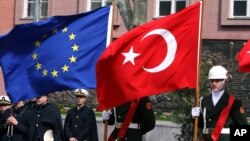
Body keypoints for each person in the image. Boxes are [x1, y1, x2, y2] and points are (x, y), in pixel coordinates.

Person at [191, 65, 248, 141]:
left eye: (217, 80)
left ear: (224, 81)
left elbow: (243, 127)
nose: (214, 83)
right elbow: (201, 125)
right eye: (212, 80)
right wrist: (194, 117)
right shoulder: (203, 100)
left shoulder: (234, 102)